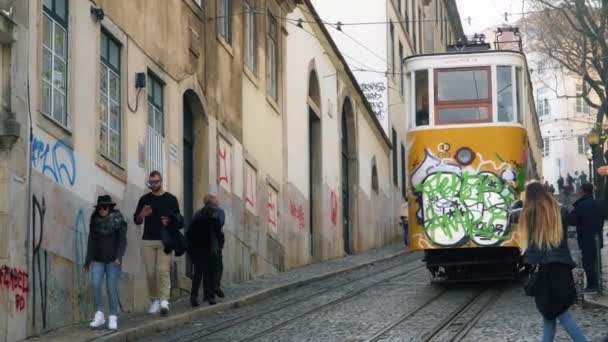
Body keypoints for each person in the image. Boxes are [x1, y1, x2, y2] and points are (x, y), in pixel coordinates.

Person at [519, 182, 588, 342]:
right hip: (561, 267)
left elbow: (511, 218)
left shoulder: (527, 214)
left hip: (542, 269)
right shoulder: (559, 210)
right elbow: (574, 218)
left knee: (557, 312)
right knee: (550, 313)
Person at [133, 171, 183, 316]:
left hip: (165, 240)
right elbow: (137, 220)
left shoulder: (171, 199)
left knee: (163, 270)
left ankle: (164, 300)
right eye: (151, 182)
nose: (153, 185)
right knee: (150, 273)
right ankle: (154, 299)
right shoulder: (144, 199)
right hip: (148, 240)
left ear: (161, 181)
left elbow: (179, 220)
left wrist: (169, 221)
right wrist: (142, 215)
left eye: (156, 182)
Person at [84, 195, 127, 330]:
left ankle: (113, 316)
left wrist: (119, 257)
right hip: (98, 259)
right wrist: (87, 261)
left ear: (109, 207)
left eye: (104, 207)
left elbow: (122, 241)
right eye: (100, 208)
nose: (102, 210)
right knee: (95, 284)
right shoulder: (95, 220)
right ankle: (99, 315)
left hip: (113, 261)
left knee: (111, 288)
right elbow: (91, 241)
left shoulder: (118, 219)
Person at [186, 193, 225, 306]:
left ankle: (194, 296)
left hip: (198, 247)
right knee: (212, 270)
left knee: (198, 272)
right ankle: (210, 296)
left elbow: (190, 229)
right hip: (211, 246)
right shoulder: (218, 212)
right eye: (215, 198)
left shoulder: (198, 213)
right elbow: (220, 224)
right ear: (212, 201)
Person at [569, 183, 605, 292]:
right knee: (595, 261)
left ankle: (592, 285)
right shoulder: (598, 203)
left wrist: (574, 206)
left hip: (585, 238)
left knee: (587, 263)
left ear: (583, 192)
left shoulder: (580, 205)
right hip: (597, 237)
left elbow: (572, 221)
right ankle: (597, 283)